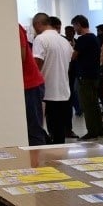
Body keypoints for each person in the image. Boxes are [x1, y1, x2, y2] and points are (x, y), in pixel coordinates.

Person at [31, 12, 75, 144]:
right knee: (59, 130)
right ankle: (59, 154)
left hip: (46, 92)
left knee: (41, 126)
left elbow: (36, 65)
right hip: (63, 91)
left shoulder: (40, 39)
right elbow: (70, 60)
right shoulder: (64, 41)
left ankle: (51, 153)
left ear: (38, 24)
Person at [71, 15, 103, 140]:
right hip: (94, 75)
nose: (74, 29)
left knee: (87, 105)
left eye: (74, 26)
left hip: (84, 76)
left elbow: (74, 56)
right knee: (94, 104)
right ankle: (99, 129)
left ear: (79, 24)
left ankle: (92, 131)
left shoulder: (83, 39)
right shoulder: (94, 38)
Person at [18, 23, 48, 146]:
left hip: (30, 85)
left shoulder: (14, 28)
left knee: (33, 130)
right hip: (23, 85)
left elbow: (21, 57)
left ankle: (39, 164)